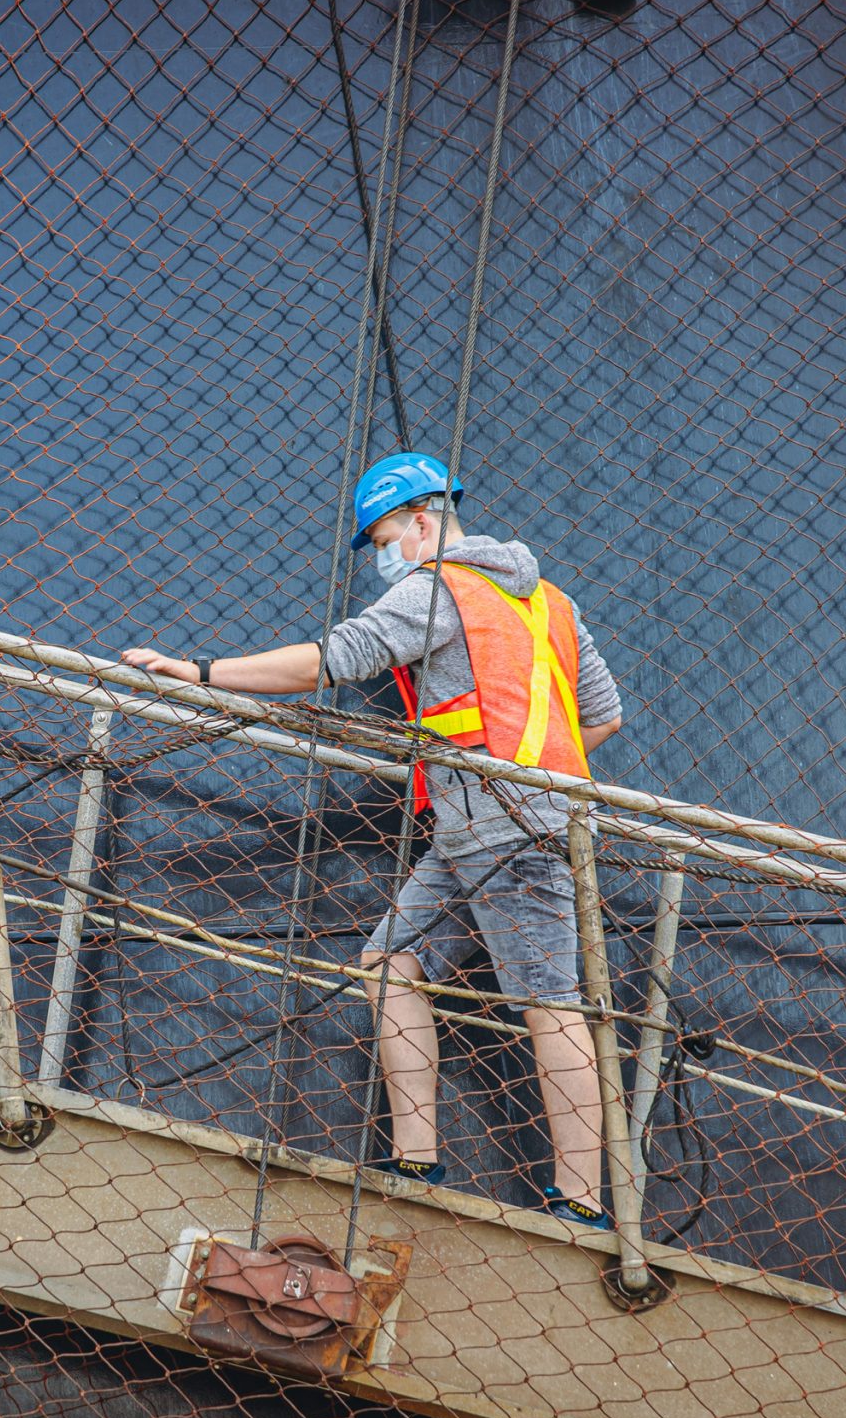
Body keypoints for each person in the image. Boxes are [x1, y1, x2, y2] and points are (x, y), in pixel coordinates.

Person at [123, 453, 624, 1227]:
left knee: (550, 1005)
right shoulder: (552, 602)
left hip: (504, 832)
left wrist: (199, 672)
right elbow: (604, 715)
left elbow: (330, 661)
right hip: (489, 828)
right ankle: (417, 1157)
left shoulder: (436, 590)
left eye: (386, 536)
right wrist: (533, 770)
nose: (385, 555)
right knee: (391, 962)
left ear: (422, 521)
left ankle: (584, 1203)